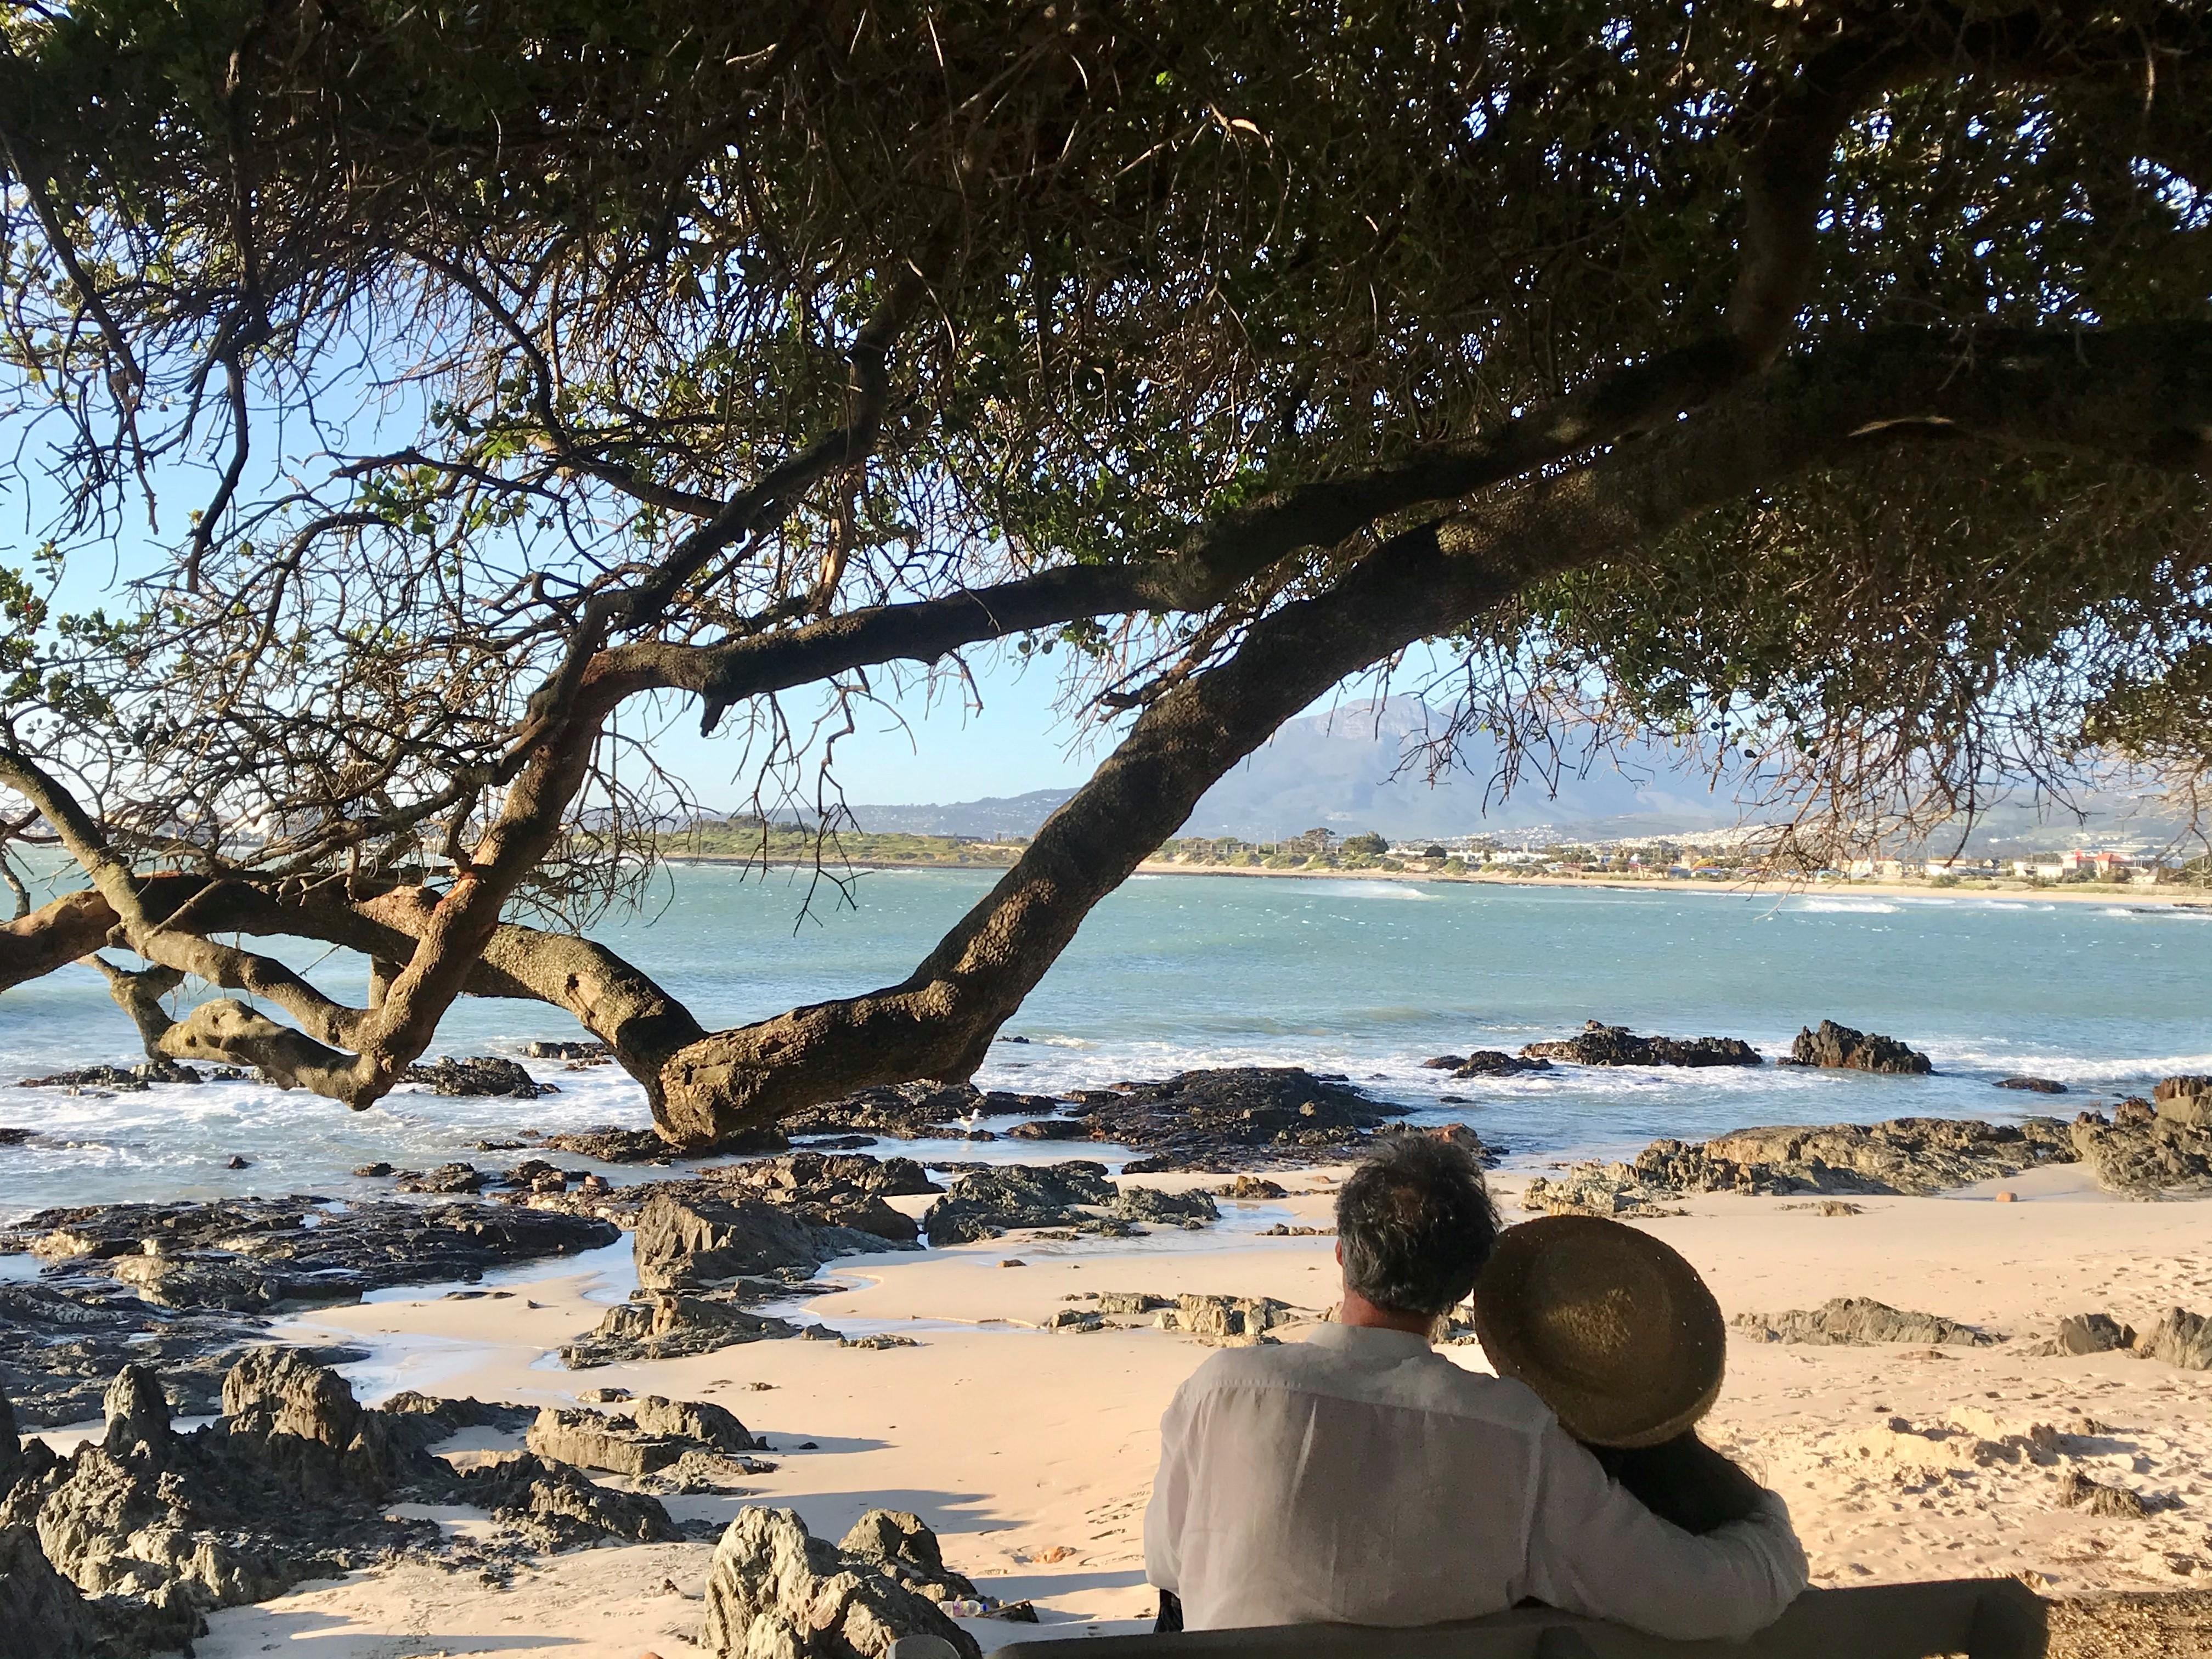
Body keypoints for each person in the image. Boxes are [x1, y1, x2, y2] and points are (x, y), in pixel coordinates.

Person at [1141, 1135, 1807, 1638]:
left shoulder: (1221, 1393)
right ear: (1463, 1290)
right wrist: (1771, 1528)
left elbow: (1165, 1566)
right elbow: (1695, 1595)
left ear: (1342, 1254)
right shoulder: (1515, 1438)